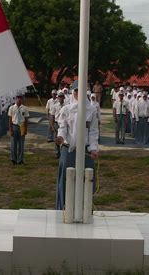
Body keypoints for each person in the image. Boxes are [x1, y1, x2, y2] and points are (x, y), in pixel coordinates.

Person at [55, 80, 99, 210]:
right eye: (76, 91)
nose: (78, 94)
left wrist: (94, 148)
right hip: (68, 150)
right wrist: (60, 137)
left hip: (85, 150)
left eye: (80, 91)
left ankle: (84, 208)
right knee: (65, 179)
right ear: (72, 92)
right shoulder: (66, 109)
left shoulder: (91, 110)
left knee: (88, 178)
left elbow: (93, 131)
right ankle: (63, 208)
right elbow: (62, 127)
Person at [8, 94, 30, 165]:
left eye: (20, 98)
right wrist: (10, 129)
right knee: (13, 144)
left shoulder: (25, 108)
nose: (19, 100)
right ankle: (13, 159)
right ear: (15, 99)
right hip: (14, 126)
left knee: (21, 144)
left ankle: (20, 160)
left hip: (22, 126)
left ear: (22, 99)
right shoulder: (11, 108)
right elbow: (10, 119)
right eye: (18, 98)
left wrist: (26, 129)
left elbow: (26, 119)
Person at [50, 91, 68, 159]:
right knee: (56, 139)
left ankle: (63, 153)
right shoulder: (54, 106)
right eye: (59, 97)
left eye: (61, 96)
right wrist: (52, 125)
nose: (60, 98)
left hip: (64, 124)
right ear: (58, 98)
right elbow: (52, 116)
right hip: (57, 123)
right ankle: (57, 154)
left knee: (64, 139)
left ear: (64, 97)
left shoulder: (66, 106)